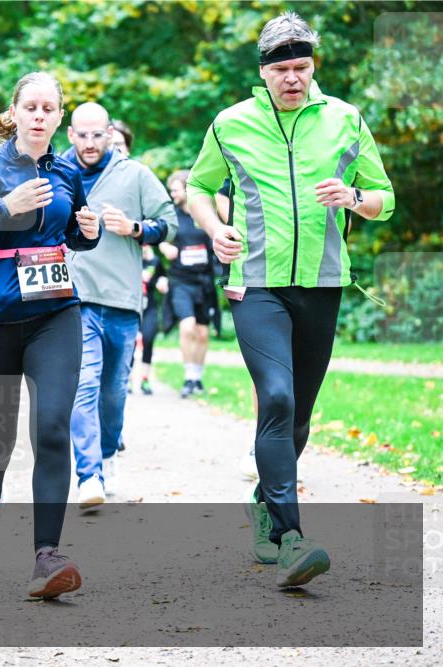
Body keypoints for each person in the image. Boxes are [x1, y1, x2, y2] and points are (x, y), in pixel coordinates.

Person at [187, 12, 394, 588]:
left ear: (313, 67)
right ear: (264, 72)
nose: (292, 79)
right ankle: (290, 536)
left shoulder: (345, 121)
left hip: (323, 283)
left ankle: (263, 500)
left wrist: (353, 196)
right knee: (275, 397)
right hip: (254, 281)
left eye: (301, 67)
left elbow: (384, 198)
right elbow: (200, 187)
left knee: (298, 414)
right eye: (281, 69)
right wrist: (212, 226)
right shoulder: (232, 124)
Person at [0, 71, 101, 599]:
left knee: (52, 427)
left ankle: (45, 556)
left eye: (48, 108)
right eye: (29, 106)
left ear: (59, 116)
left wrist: (87, 232)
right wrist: (3, 208)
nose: (38, 115)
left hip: (55, 314)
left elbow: (72, 231)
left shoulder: (68, 170)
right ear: (16, 111)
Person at [63, 103, 177, 508]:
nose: (90, 143)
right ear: (71, 134)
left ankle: (108, 454)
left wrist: (134, 228)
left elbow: (169, 222)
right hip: (72, 300)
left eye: (98, 135)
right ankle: (88, 475)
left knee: (113, 392)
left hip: (122, 301)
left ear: (110, 133)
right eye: (82, 135)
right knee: (84, 384)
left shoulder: (135, 174)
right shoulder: (55, 172)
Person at [159, 169, 219, 398]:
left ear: (186, 189)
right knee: (187, 326)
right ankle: (188, 376)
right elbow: (162, 239)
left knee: (203, 333)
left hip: (204, 282)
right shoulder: (172, 216)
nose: (172, 193)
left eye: (175, 189)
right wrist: (165, 248)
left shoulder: (202, 214)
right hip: (181, 281)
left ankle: (197, 377)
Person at [136, 244, 168, 395]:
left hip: (149, 307)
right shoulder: (131, 259)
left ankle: (144, 379)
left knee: (148, 339)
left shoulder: (155, 261)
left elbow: (162, 276)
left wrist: (162, 282)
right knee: (130, 342)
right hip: (132, 306)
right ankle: (126, 380)